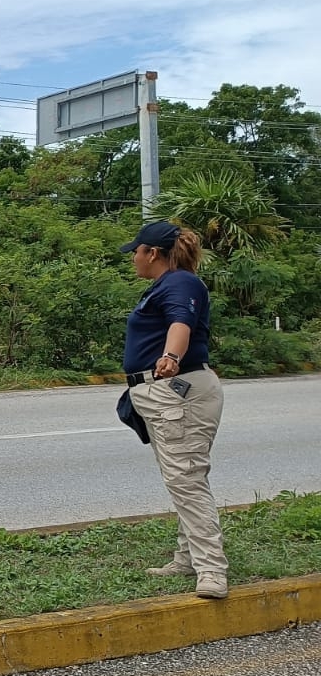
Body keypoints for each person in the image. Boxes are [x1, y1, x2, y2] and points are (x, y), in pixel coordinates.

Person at [119, 221, 226, 600]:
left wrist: (170, 356)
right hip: (166, 392)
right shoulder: (166, 286)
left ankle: (211, 569)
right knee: (184, 476)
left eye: (137, 251)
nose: (133, 257)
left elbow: (181, 322)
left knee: (186, 479)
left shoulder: (181, 282)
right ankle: (188, 558)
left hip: (175, 390)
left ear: (153, 253)